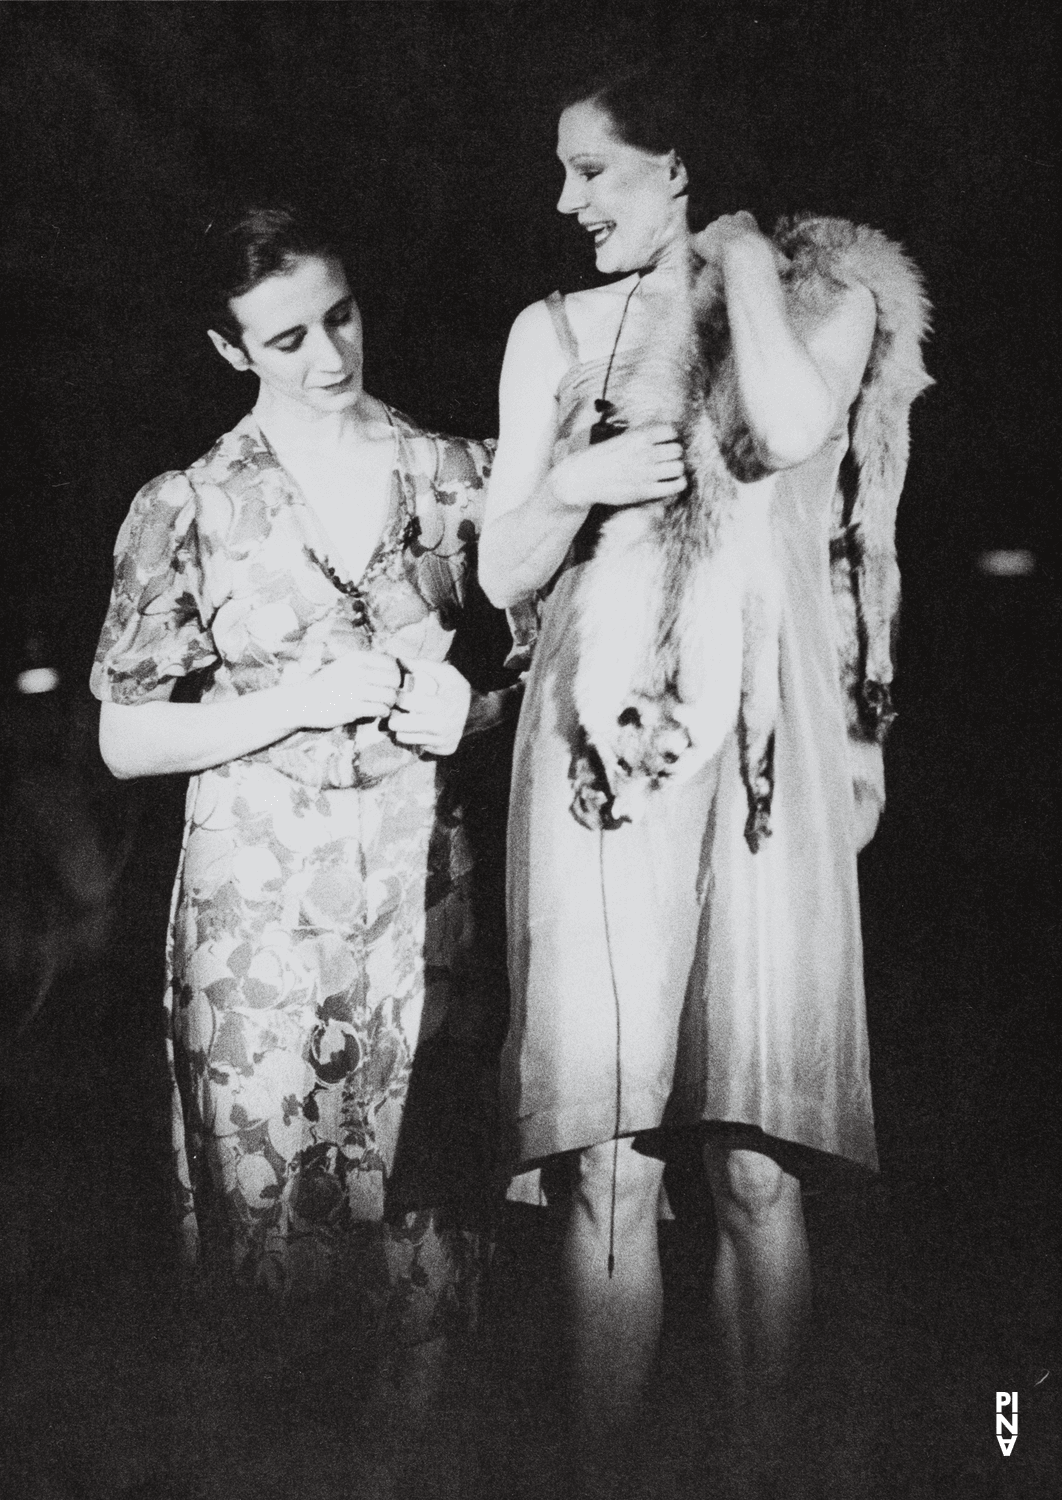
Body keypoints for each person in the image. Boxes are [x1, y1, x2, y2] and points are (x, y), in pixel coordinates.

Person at [479, 65, 930, 1491]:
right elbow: (500, 567)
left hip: (762, 748)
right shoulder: (551, 331)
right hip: (599, 747)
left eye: (593, 170)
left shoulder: (822, 297)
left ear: (681, 166)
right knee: (607, 1160)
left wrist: (732, 256)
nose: (566, 202)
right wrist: (572, 488)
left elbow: (796, 441)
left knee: (751, 1158)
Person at [91, 205, 510, 1462]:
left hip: (423, 904)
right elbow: (124, 735)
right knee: (274, 1244)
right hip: (260, 928)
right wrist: (293, 703)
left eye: (341, 316)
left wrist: (475, 708)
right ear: (231, 351)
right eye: (287, 338)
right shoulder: (191, 504)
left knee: (430, 1236)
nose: (329, 356)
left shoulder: (458, 474)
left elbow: (543, 673)